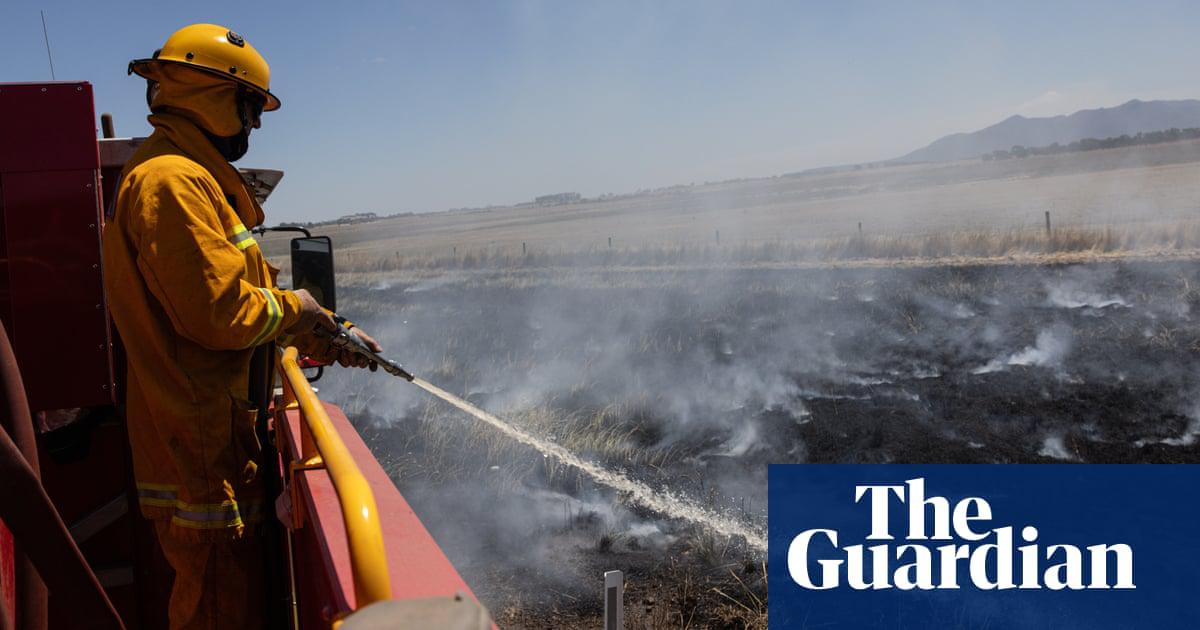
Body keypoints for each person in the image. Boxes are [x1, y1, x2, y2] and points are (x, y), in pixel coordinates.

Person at [102, 23, 381, 629]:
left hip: (211, 445)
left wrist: (326, 331)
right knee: (215, 613)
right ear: (214, 95)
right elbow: (220, 313)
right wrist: (304, 310)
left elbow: (245, 298)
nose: (254, 128)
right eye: (250, 109)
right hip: (201, 456)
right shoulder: (172, 183)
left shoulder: (191, 180)